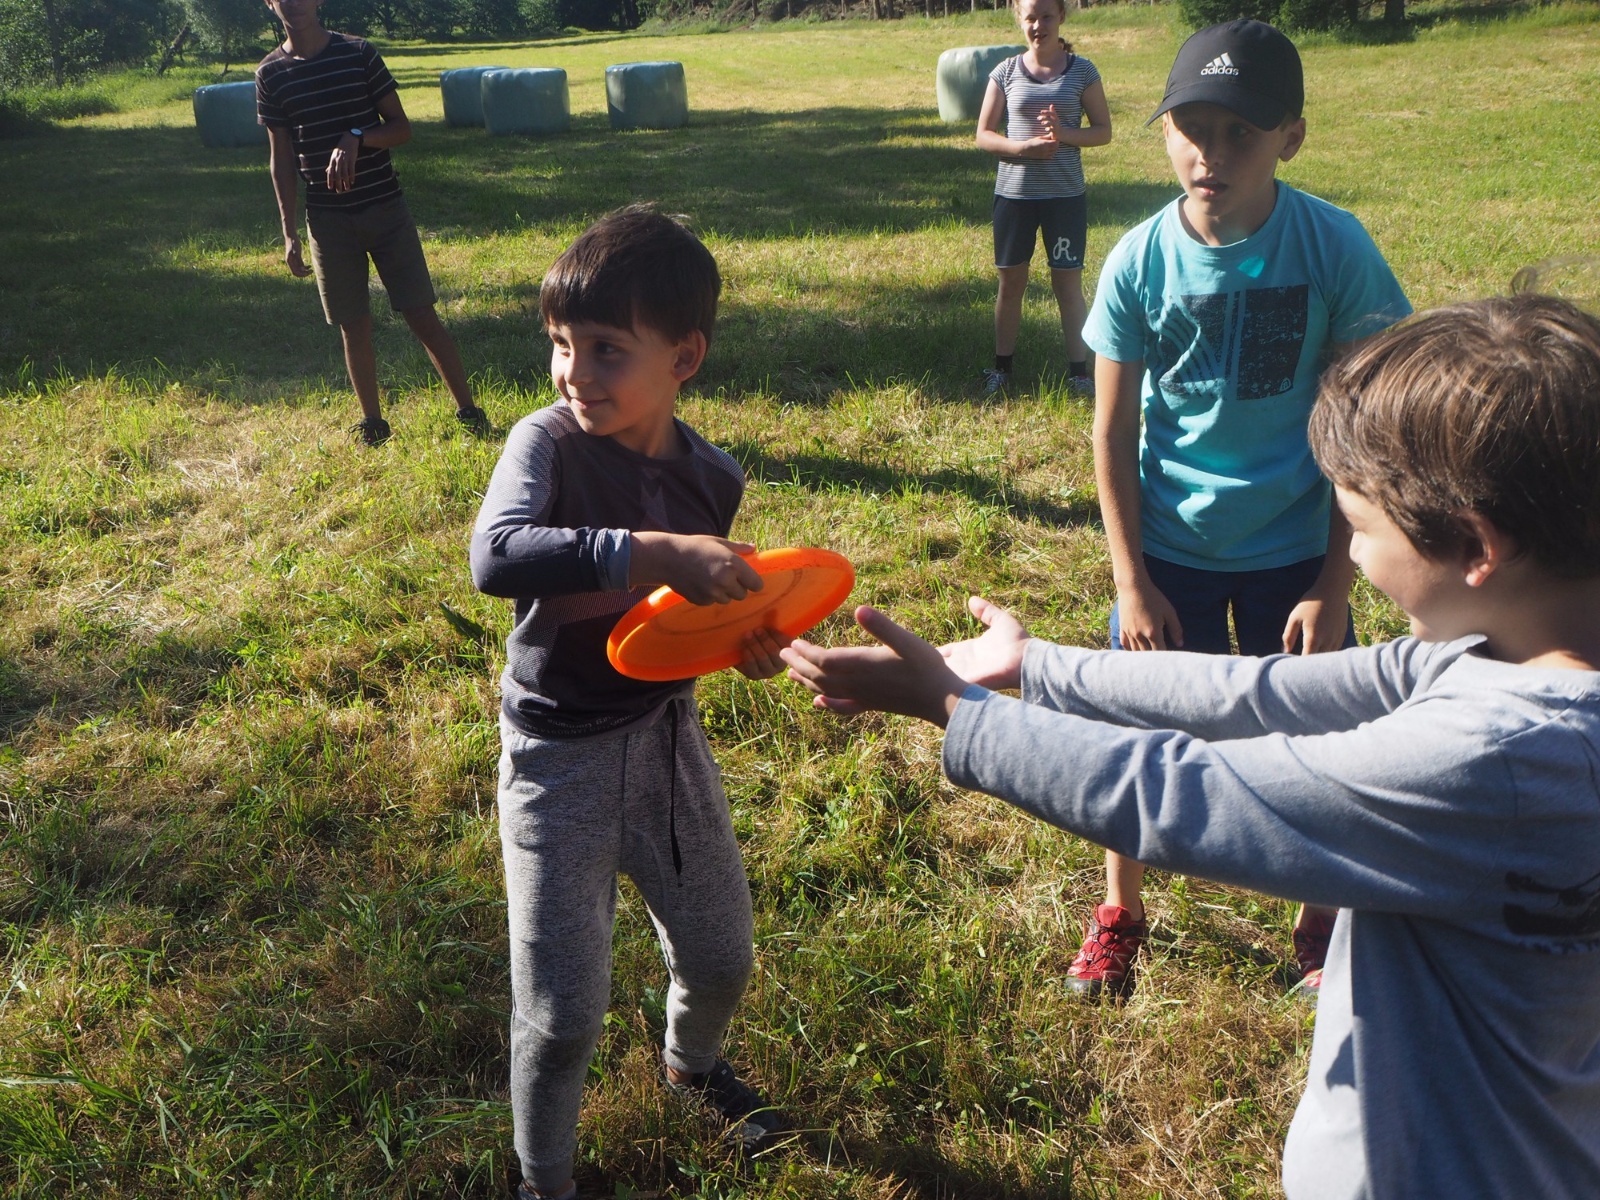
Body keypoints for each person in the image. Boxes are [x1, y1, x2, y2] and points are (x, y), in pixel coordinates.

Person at [781, 293, 1600, 1200]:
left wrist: (956, 712)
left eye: (1361, 528)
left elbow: (1182, 796)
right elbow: (1259, 692)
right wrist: (1036, 666)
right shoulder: (1507, 656)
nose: (1356, 558)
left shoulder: (1500, 763)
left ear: (1476, 547)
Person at [1073, 19, 1411, 997]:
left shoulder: (1333, 247)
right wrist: (1131, 582)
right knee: (1129, 726)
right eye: (1189, 128)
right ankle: (1119, 910)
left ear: (1288, 140)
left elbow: (1361, 425)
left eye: (1237, 134)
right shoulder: (1138, 260)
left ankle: (1317, 926)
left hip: (1293, 555)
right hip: (1170, 548)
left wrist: (1332, 581)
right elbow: (1109, 434)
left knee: (1319, 743)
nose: (1207, 154)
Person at [469, 206, 790, 1200]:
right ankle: (543, 1180)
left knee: (722, 954)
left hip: (663, 745)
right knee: (561, 1013)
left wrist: (745, 644)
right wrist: (645, 551)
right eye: (562, 345)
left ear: (683, 357)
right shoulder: (549, 446)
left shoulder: (712, 479)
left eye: (607, 351)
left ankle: (692, 1068)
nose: (575, 373)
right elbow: (495, 553)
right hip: (554, 758)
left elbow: (678, 623)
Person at [256, 0, 483, 445]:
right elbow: (281, 158)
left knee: (421, 314)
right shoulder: (270, 74)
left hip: (384, 208)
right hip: (326, 220)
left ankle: (470, 411)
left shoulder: (358, 52)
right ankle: (373, 424)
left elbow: (401, 127)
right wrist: (288, 232)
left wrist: (357, 136)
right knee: (352, 323)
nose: (295, 4)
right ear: (269, 3)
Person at [976, 0, 1111, 397]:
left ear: (1061, 17)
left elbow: (1103, 131)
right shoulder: (1004, 72)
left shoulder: (1083, 71)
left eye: (1047, 16)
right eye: (1030, 17)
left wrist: (1063, 134)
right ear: (1019, 18)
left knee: (1067, 284)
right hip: (1014, 197)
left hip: (1064, 197)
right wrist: (1022, 149)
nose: (1039, 25)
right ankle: (1001, 369)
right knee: (1011, 283)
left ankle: (1079, 373)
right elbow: (984, 134)